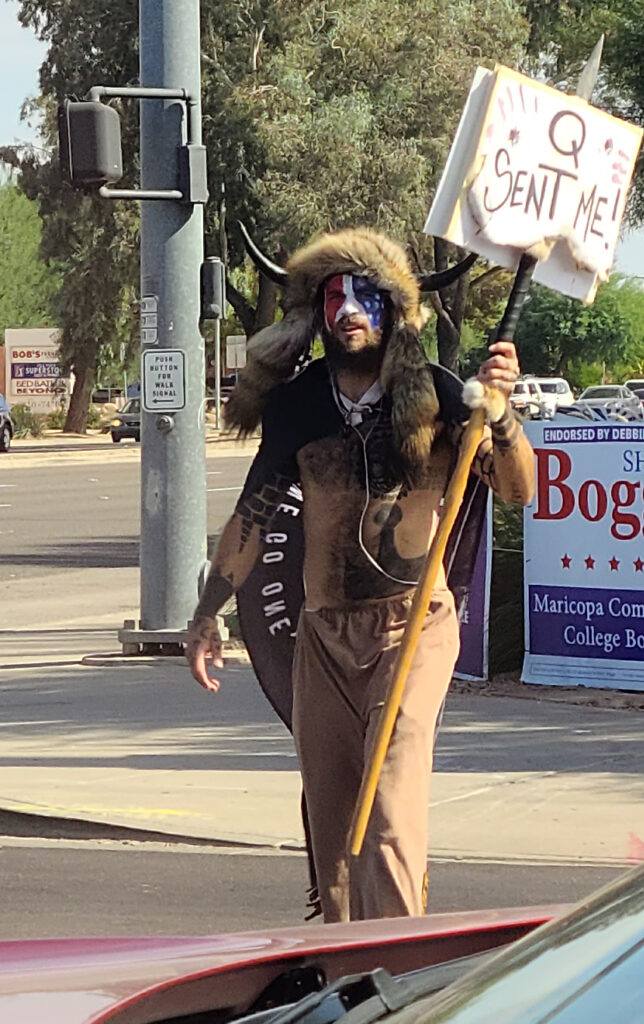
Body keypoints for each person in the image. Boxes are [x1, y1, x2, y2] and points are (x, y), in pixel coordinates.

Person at [186, 227, 535, 923]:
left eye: (364, 295)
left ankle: (399, 964)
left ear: (394, 311)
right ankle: (344, 975)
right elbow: (251, 515)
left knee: (390, 806)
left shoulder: (439, 396)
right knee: (333, 817)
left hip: (413, 628)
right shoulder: (300, 405)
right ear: (315, 315)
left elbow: (519, 490)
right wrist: (207, 615)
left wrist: (500, 417)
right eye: (334, 297)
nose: (348, 310)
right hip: (324, 635)